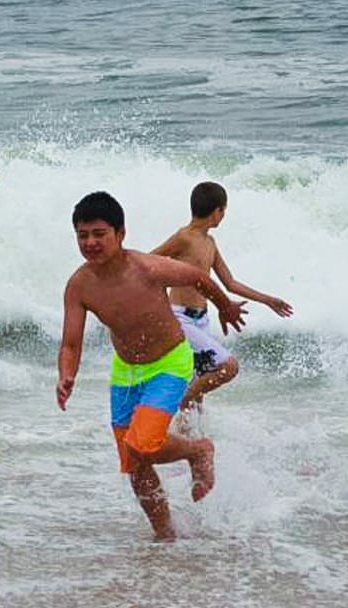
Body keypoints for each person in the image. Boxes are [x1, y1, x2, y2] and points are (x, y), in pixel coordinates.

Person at [57, 191, 248, 540]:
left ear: (120, 233)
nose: (90, 243)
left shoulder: (146, 268)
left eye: (99, 234)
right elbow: (71, 342)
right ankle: (165, 536)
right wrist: (66, 375)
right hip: (126, 370)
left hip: (169, 361)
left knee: (142, 444)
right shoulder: (79, 285)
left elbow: (198, 277)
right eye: (82, 235)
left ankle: (198, 450)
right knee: (134, 462)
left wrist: (225, 306)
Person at [152, 181, 292, 409]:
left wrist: (267, 300)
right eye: (224, 210)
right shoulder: (183, 237)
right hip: (180, 319)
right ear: (216, 211)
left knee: (199, 390)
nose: (223, 216)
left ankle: (187, 427)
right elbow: (149, 263)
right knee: (227, 367)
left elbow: (230, 283)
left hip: (202, 320)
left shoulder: (210, 242)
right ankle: (181, 400)